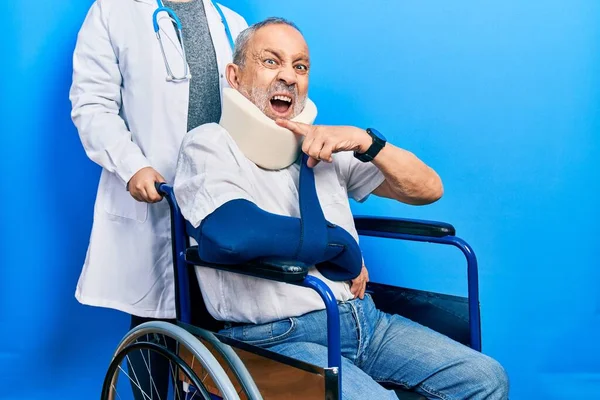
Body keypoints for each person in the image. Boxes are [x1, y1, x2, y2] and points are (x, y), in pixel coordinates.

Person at [173, 17, 509, 399]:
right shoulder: (209, 144)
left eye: (300, 66)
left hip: (365, 319)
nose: (288, 76)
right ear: (235, 76)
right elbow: (234, 234)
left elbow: (427, 189)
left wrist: (365, 141)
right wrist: (341, 247)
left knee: (487, 377)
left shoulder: (327, 145)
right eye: (271, 62)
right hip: (276, 336)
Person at [69, 0, 247, 398]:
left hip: (221, 202)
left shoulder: (231, 23)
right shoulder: (113, 11)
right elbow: (92, 105)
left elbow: (254, 109)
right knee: (155, 332)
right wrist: (132, 166)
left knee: (220, 347)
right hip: (157, 199)